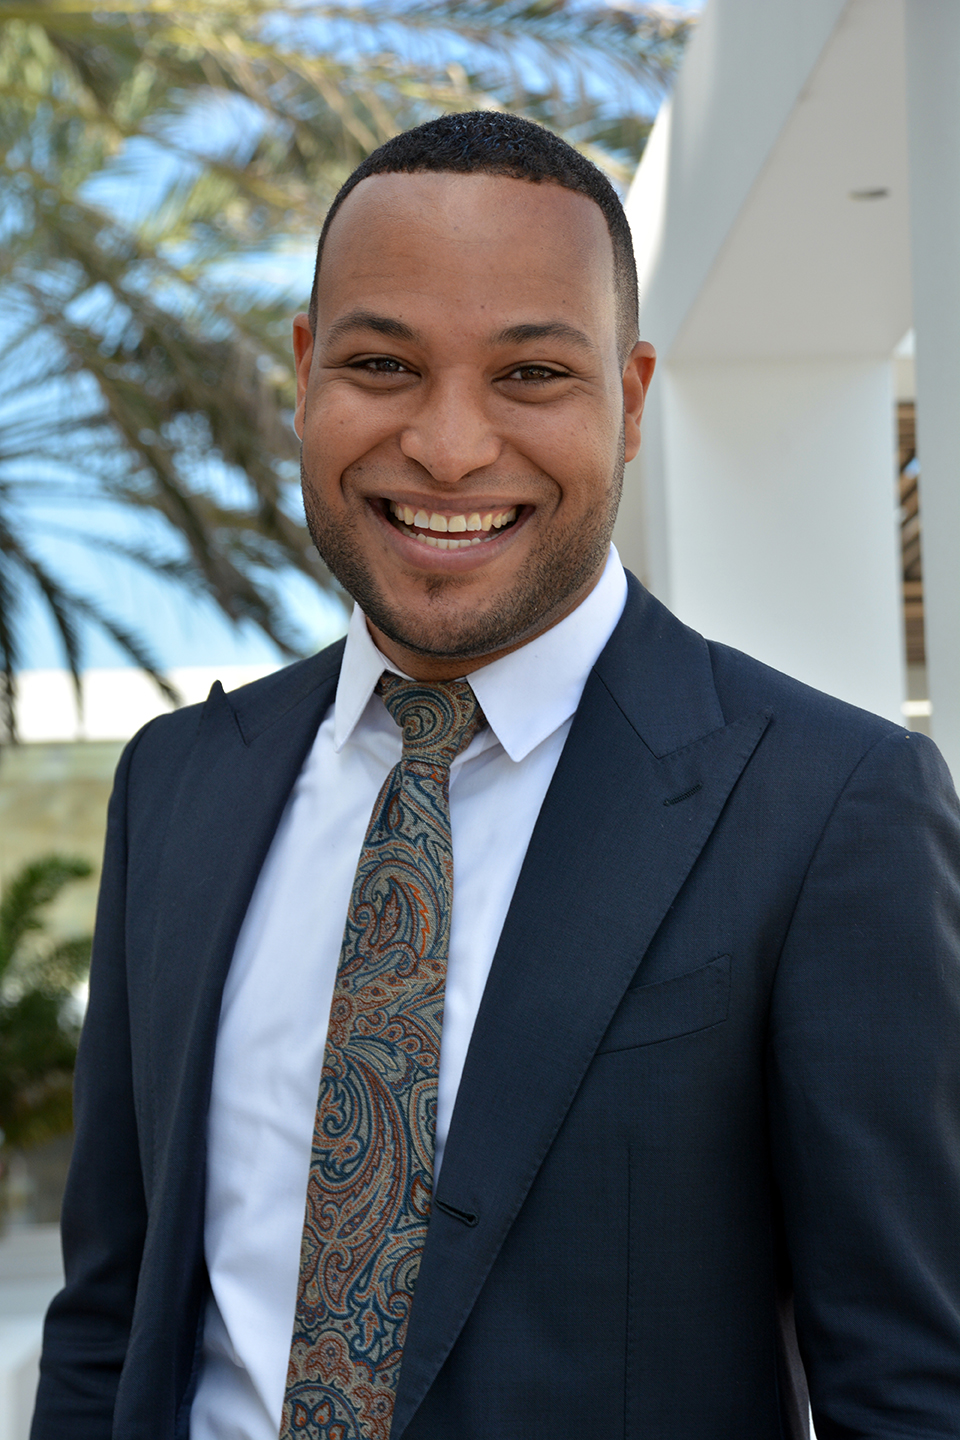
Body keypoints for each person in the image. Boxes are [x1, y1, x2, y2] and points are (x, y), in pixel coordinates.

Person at [32, 111, 960, 1440]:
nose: (451, 445)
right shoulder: (177, 785)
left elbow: (915, 1389)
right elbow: (109, 1323)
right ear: (304, 371)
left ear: (630, 398)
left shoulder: (830, 807)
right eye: (381, 364)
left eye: (531, 374)